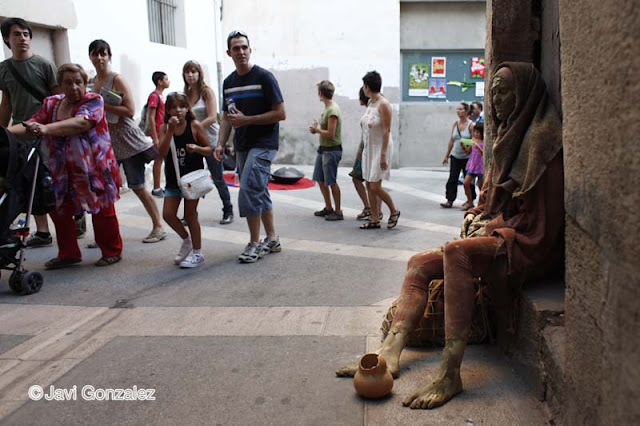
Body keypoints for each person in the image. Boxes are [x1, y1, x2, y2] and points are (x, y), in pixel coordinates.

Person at [336, 62, 564, 410]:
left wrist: (492, 226)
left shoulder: (542, 138)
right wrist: (478, 214)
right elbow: (490, 198)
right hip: (501, 230)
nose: (498, 101)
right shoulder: (507, 134)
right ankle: (389, 353)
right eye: (494, 94)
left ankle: (449, 372)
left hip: (527, 245)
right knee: (418, 263)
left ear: (525, 94)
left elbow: (539, 224)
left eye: (505, 93)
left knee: (457, 252)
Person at [8, 63, 123, 269]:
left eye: (78, 82)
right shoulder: (51, 104)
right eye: (68, 83)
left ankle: (111, 250)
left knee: (102, 209)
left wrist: (44, 128)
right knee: (59, 209)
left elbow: (81, 123)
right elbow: (30, 124)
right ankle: (68, 253)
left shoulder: (94, 100)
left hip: (94, 168)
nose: (74, 87)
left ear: (84, 83)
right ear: (60, 86)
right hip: (61, 169)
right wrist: (6, 133)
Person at [214, 30, 286, 263]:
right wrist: (220, 143)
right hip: (242, 145)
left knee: (248, 189)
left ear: (250, 50)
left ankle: (255, 243)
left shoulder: (264, 77)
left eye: (244, 47)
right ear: (229, 53)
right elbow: (226, 116)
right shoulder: (229, 82)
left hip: (264, 143)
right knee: (259, 190)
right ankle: (272, 239)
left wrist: (248, 120)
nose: (241, 52)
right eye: (236, 48)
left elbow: (280, 113)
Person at [88, 39, 167, 243]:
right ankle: (106, 236)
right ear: (90, 56)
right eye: (95, 53)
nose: (99, 58)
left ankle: (159, 226)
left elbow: (130, 110)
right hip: (106, 143)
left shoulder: (117, 79)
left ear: (109, 56)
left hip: (127, 141)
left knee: (138, 186)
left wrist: (102, 103)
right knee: (105, 189)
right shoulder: (91, 81)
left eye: (103, 53)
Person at [0, 17, 58, 247]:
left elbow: (57, 99)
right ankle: (42, 231)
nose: (22, 39)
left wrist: (54, 129)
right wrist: (3, 132)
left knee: (51, 178)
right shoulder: (4, 69)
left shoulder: (44, 65)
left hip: (46, 131)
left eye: (25, 34)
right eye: (16, 34)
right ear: (7, 39)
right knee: (29, 179)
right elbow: (6, 102)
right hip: (20, 133)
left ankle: (72, 219)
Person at [158, 93, 212, 268]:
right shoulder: (165, 128)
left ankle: (197, 253)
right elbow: (161, 153)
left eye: (182, 106)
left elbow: (209, 149)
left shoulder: (194, 126)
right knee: (168, 214)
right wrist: (170, 131)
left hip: (192, 180)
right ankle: (186, 240)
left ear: (187, 108)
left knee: (190, 216)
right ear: (168, 110)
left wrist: (196, 148)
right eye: (174, 107)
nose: (178, 110)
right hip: (174, 179)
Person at [183, 60, 234, 224]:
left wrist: (194, 129)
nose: (191, 75)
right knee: (191, 178)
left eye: (193, 72)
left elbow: (212, 117)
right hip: (194, 142)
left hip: (211, 141)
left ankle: (228, 210)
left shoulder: (207, 92)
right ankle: (190, 213)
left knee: (218, 177)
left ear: (199, 74)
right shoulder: (185, 93)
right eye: (187, 72)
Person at [359, 71, 400, 230]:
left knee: (376, 185)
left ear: (367, 87)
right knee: (369, 184)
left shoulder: (384, 104)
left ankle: (394, 211)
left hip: (381, 148)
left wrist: (383, 155)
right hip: (369, 148)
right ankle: (375, 219)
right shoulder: (371, 103)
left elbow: (386, 130)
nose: (363, 88)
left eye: (364, 85)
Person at [310, 80, 343, 221]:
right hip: (323, 149)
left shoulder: (332, 110)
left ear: (321, 94)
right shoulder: (327, 109)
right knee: (320, 179)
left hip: (331, 150)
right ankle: (328, 207)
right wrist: (317, 128)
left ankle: (338, 211)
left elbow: (331, 133)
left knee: (331, 181)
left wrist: (316, 130)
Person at [440, 103, 473, 208]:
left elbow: (475, 141)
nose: (458, 111)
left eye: (461, 109)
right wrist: (447, 155)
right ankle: (449, 200)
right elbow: (451, 140)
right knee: (452, 178)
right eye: (457, 109)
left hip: (467, 157)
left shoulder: (471, 125)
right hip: (455, 155)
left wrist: (465, 142)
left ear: (467, 111)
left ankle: (470, 200)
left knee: (469, 180)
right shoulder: (455, 124)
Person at [349, 88, 374, 220]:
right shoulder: (370, 109)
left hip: (371, 149)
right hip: (365, 147)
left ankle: (373, 209)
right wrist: (359, 150)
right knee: (358, 178)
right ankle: (370, 208)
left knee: (373, 184)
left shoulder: (376, 107)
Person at [147, 71, 170, 197]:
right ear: (160, 82)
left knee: (164, 159)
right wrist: (155, 136)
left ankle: (166, 185)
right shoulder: (154, 96)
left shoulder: (161, 96)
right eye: (166, 79)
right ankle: (156, 188)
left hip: (164, 132)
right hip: (158, 133)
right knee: (159, 159)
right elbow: (151, 117)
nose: (168, 81)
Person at [461, 122, 485, 210]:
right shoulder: (473, 140)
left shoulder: (484, 141)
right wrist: (463, 147)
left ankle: (482, 203)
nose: (476, 134)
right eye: (475, 132)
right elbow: (468, 151)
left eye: (478, 132)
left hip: (481, 166)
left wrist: (478, 147)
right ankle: (470, 201)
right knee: (466, 183)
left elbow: (485, 153)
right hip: (473, 165)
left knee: (481, 186)